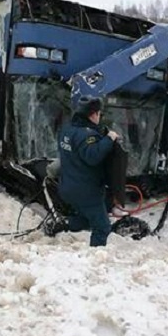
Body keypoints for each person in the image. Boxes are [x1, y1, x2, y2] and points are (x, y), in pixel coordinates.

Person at [55, 96, 119, 246]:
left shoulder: (67, 129)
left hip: (67, 187)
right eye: (99, 114)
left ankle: (66, 223)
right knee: (102, 227)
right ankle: (95, 258)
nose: (100, 117)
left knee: (86, 217)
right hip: (86, 191)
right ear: (93, 114)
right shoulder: (87, 135)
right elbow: (92, 156)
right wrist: (109, 139)